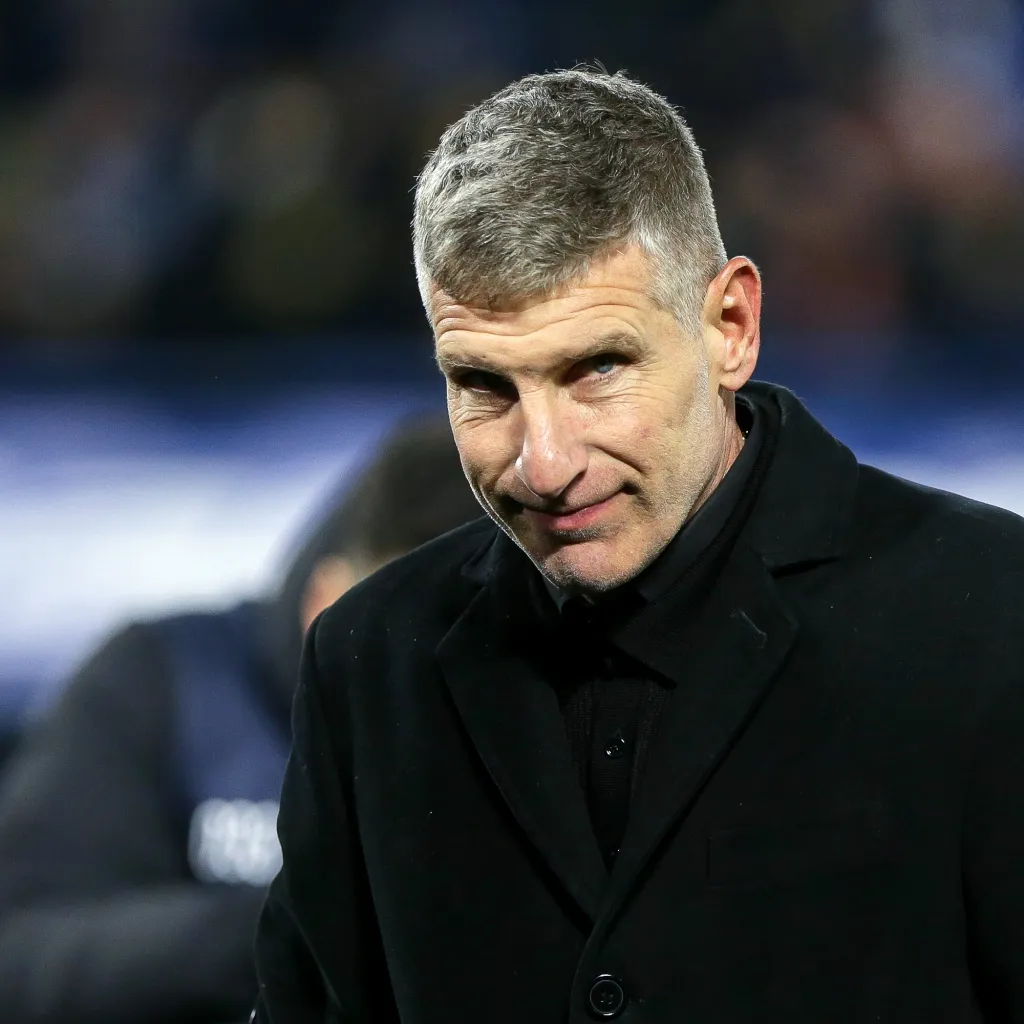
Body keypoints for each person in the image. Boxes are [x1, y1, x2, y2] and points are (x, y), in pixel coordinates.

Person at [253, 68, 1024, 1024]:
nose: (544, 463)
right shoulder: (370, 661)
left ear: (731, 326)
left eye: (597, 369)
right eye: (484, 386)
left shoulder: (991, 620)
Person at [0, 414, 482, 1024]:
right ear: (326, 602)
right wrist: (296, 926)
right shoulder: (164, 679)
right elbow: (22, 956)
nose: (441, 677)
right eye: (410, 634)